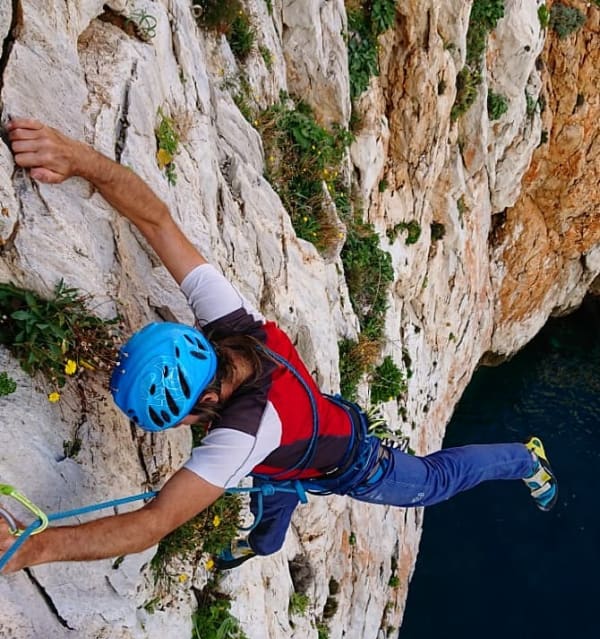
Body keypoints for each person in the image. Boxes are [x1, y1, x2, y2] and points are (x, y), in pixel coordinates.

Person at [0, 118, 557, 574]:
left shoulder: (243, 433)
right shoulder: (233, 325)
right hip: (295, 443)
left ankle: (522, 460)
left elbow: (152, 525)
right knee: (272, 510)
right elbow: (156, 220)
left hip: (351, 462)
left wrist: (33, 548)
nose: (184, 432)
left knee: (433, 482)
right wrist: (80, 159)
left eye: (179, 422)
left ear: (207, 405)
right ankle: (260, 546)